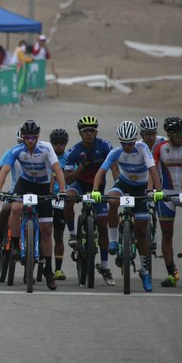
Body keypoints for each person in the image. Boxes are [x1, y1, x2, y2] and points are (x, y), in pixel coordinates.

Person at [91, 121, 165, 293]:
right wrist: (95, 191)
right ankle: (114, 241)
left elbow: (153, 170)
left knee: (141, 232)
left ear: (135, 140)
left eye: (131, 142)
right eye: (124, 143)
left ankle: (145, 271)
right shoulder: (116, 152)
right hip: (123, 184)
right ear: (120, 141)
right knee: (112, 201)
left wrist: (157, 191)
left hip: (141, 187)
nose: (128, 146)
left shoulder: (142, 148)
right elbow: (100, 172)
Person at [0, 119, 66, 291]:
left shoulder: (47, 148)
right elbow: (4, 169)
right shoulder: (17, 150)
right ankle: (14, 244)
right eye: (27, 138)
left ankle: (48, 270)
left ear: (38, 137)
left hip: (42, 186)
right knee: (16, 207)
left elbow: (57, 170)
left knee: (47, 229)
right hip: (25, 184)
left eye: (33, 138)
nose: (30, 141)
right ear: (23, 138)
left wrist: (62, 190)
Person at [63, 115, 118, 287]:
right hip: (79, 185)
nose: (89, 134)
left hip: (98, 189)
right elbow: (68, 178)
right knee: (68, 198)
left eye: (92, 130)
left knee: (102, 224)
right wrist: (82, 167)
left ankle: (105, 266)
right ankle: (72, 233)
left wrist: (118, 187)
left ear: (96, 132)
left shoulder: (105, 146)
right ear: (80, 133)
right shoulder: (73, 151)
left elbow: (115, 169)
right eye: (85, 131)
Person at [152, 117, 182, 288]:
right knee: (167, 233)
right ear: (170, 135)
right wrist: (154, 191)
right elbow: (153, 171)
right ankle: (171, 272)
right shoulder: (160, 148)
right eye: (179, 134)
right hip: (167, 194)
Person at [0, 127, 24, 257]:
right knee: (6, 208)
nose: (23, 146)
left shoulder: (38, 153)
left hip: (31, 191)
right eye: (20, 142)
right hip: (15, 191)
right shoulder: (11, 152)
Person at [49, 128, 69, 281]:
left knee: (59, 235)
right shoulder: (47, 157)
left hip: (62, 198)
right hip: (47, 197)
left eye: (62, 143)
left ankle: (58, 269)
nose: (58, 146)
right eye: (55, 143)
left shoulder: (69, 158)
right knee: (45, 232)